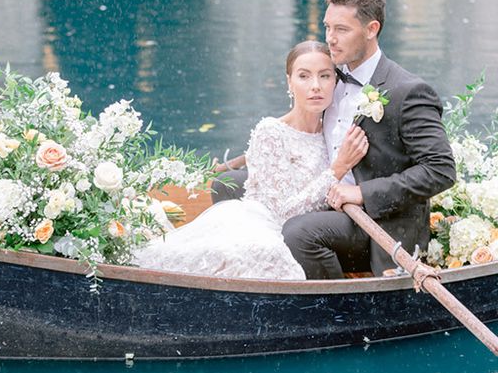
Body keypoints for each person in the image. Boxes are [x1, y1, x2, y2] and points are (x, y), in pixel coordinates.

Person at [133, 41, 368, 280]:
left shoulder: (334, 135)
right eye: (304, 76)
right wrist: (337, 169)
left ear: (336, 82)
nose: (315, 86)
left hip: (303, 234)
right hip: (267, 229)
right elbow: (283, 214)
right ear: (289, 82)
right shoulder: (270, 132)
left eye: (325, 76)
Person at [281, 0, 457, 278]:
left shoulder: (408, 91)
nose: (330, 39)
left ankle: (338, 315)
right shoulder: (327, 77)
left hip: (378, 222)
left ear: (371, 29)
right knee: (233, 186)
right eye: (327, 27)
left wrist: (363, 193)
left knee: (298, 232)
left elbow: (440, 170)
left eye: (342, 30)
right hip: (325, 198)